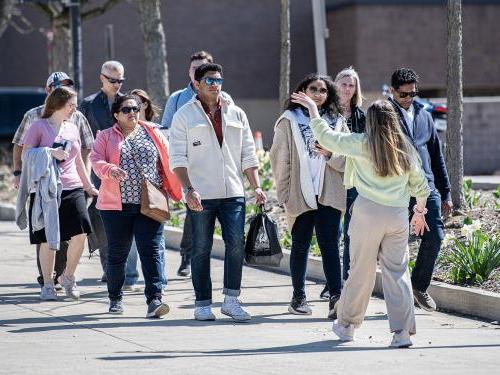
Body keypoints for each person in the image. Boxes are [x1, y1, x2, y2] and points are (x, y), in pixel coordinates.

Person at [294, 92, 430, 347]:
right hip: (398, 214)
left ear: (371, 121)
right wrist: (419, 213)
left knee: (360, 270)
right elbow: (422, 187)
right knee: (397, 272)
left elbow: (326, 138)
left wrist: (313, 109)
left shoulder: (361, 143)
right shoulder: (405, 148)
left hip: (367, 212)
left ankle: (347, 327)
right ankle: (402, 334)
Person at [170, 63, 266, 322]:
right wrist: (188, 189)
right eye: (210, 80)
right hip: (199, 193)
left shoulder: (237, 114)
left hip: (233, 192)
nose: (215, 84)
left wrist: (256, 185)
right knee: (201, 247)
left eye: (219, 80)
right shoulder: (184, 116)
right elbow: (177, 158)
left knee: (235, 244)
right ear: (197, 84)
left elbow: (248, 153)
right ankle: (202, 303)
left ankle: (231, 300)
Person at [90, 94, 182, 317]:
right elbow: (95, 160)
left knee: (150, 250)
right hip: (116, 206)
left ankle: (155, 299)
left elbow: (167, 160)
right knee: (117, 254)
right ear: (116, 115)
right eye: (127, 109)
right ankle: (115, 298)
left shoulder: (153, 132)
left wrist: (176, 187)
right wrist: (109, 170)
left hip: (149, 203)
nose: (133, 112)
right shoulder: (105, 136)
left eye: (135, 108)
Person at [270, 74, 346, 319]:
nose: (318, 93)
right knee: (301, 245)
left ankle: (336, 297)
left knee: (330, 246)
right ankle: (298, 297)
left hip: (329, 193)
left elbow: (347, 159)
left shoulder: (336, 122)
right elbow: (279, 160)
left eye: (323, 90)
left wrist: (330, 154)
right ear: (301, 91)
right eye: (312, 89)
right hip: (299, 194)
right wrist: (284, 195)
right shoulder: (289, 120)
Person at [12, 71, 94, 290]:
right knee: (48, 237)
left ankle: (66, 276)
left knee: (80, 234)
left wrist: (88, 185)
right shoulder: (34, 118)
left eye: (67, 85)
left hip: (72, 185)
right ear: (51, 92)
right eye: (59, 86)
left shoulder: (75, 122)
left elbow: (84, 152)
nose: (75, 107)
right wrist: (19, 173)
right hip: (44, 186)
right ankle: (48, 281)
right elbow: (22, 148)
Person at [161, 50, 233, 278]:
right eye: (194, 68)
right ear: (190, 72)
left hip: (217, 168)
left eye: (204, 68)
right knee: (194, 213)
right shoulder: (177, 98)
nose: (198, 72)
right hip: (188, 167)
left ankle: (200, 259)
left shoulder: (225, 99)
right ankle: (187, 258)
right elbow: (165, 131)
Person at [388, 68, 452, 312]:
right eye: (404, 95)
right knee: (396, 244)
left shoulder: (424, 116)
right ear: (393, 91)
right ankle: (398, 298)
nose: (409, 99)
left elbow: (436, 156)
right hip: (397, 189)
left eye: (413, 94)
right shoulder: (385, 116)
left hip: (426, 187)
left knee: (435, 236)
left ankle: (419, 286)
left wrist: (445, 192)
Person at [79, 61, 137, 284]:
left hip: (126, 171)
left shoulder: (128, 103)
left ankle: (124, 271)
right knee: (101, 220)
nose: (117, 84)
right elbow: (82, 141)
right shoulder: (89, 104)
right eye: (112, 80)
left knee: (126, 220)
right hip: (98, 171)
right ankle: (109, 267)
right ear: (101, 78)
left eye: (120, 80)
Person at [128, 88, 168, 290]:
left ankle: (159, 280)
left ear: (145, 105)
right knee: (132, 239)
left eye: (138, 103)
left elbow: (167, 161)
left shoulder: (158, 130)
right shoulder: (123, 130)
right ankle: (130, 277)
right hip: (131, 192)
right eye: (129, 105)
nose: (133, 109)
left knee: (157, 238)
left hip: (155, 190)